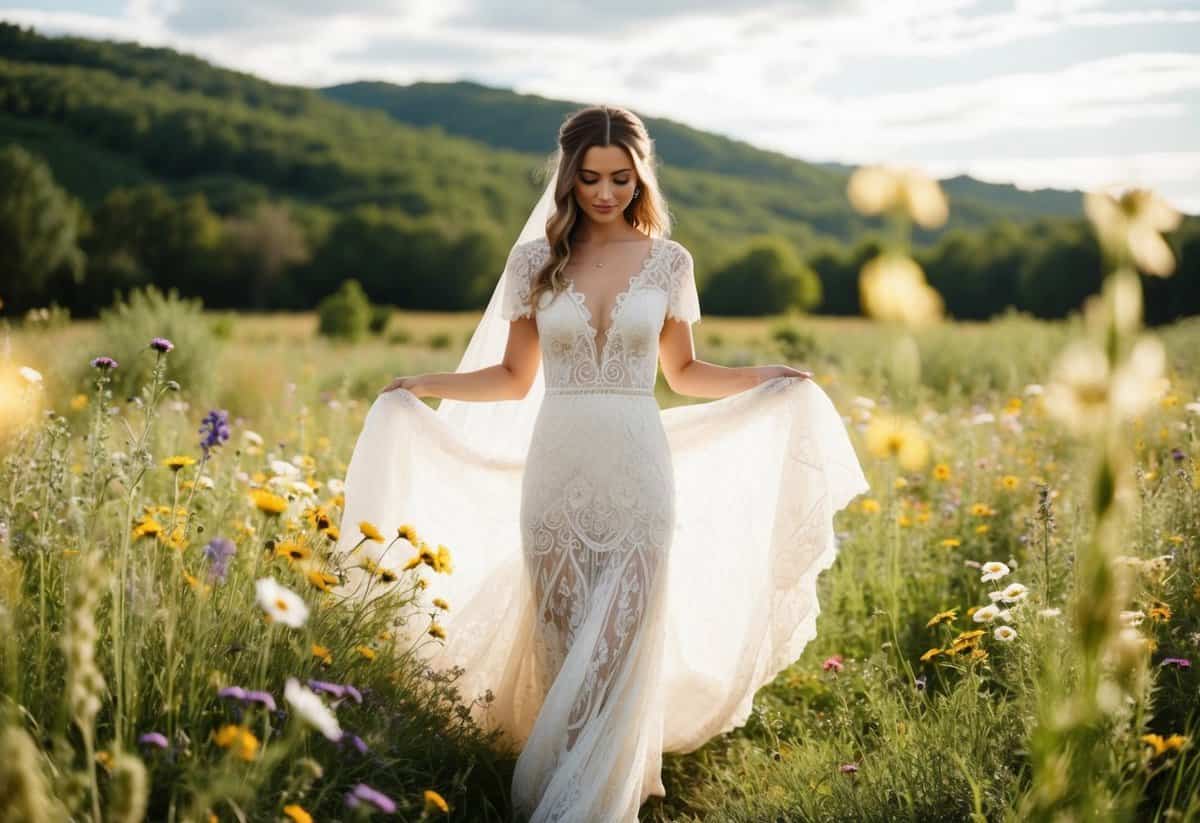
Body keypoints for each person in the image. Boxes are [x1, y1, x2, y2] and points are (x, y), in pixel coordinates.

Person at [335, 105, 869, 822]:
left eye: (620, 178)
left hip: (639, 479)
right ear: (569, 176)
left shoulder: (668, 261)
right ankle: (563, 792)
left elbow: (682, 372)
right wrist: (422, 386)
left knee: (620, 648)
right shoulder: (536, 261)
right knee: (565, 652)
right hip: (556, 474)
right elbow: (513, 378)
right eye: (589, 177)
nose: (605, 192)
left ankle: (594, 808)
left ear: (640, 176)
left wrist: (765, 375)